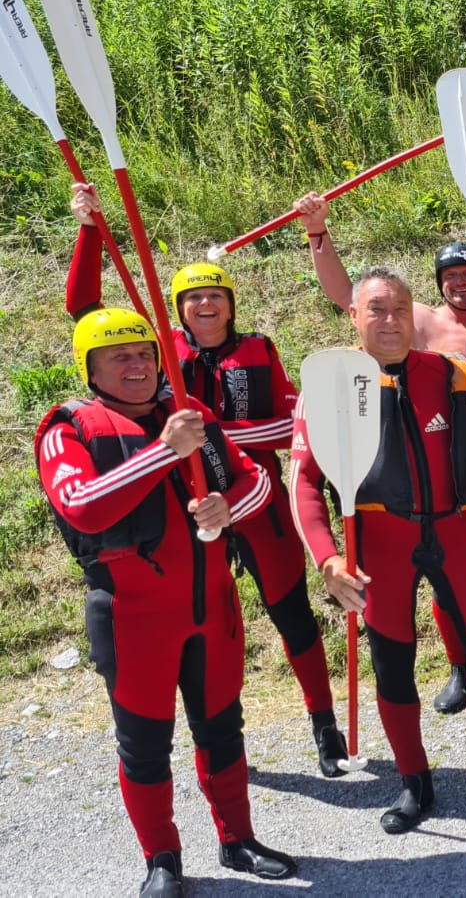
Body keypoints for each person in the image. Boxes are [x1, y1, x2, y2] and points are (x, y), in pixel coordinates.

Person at [64, 184, 349, 776]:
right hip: (182, 515)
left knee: (290, 611)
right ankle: (219, 738)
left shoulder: (260, 349)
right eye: (193, 299)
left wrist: (218, 434)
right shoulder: (157, 350)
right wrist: (91, 230)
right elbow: (85, 310)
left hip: (253, 498)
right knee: (214, 629)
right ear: (178, 309)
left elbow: (289, 429)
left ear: (231, 304)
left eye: (215, 296)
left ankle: (324, 724)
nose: (206, 306)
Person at [36, 308, 297, 896]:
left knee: (223, 729)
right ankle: (162, 860)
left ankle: (238, 839)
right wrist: (163, 451)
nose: (137, 366)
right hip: (133, 618)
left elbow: (254, 478)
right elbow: (81, 504)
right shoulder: (68, 428)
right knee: (146, 746)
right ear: (91, 370)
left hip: (211, 609)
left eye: (144, 354)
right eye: (118, 358)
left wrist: (229, 507)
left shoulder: (188, 412)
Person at [289, 267, 466, 834]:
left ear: (416, 315)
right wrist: (328, 559)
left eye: (400, 308)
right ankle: (414, 781)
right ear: (353, 316)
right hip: (382, 543)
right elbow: (304, 481)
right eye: (377, 309)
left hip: (454, 533)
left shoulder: (453, 374)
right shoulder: (329, 385)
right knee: (394, 670)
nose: (390, 320)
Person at [291, 191, 466, 714]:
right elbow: (348, 295)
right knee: (440, 602)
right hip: (419, 475)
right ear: (438, 285)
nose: (461, 283)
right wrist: (318, 234)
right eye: (451, 277)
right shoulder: (419, 320)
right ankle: (456, 666)